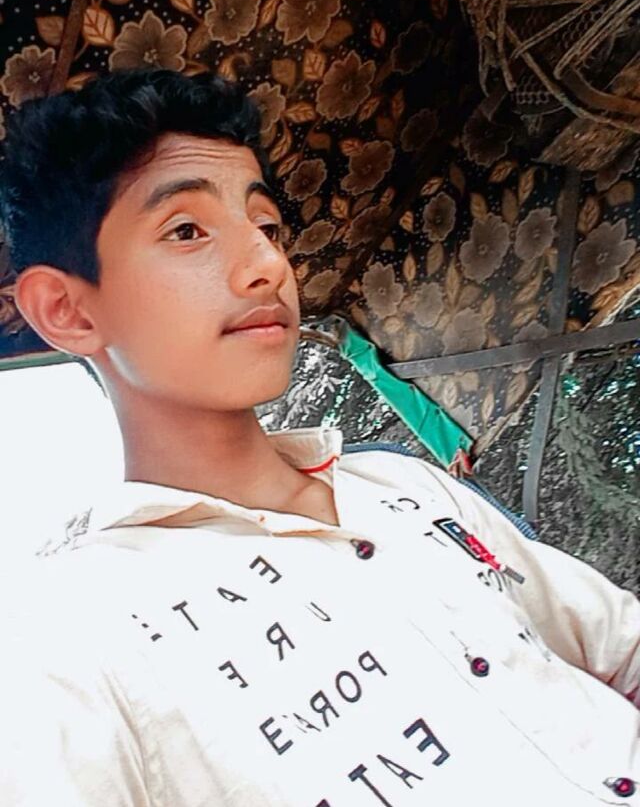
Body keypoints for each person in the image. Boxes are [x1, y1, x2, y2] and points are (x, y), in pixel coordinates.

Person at [0, 69, 638, 807]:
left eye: (267, 226)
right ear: (70, 311)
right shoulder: (69, 632)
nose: (268, 265)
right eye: (186, 230)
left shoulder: (407, 486)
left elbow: (618, 645)